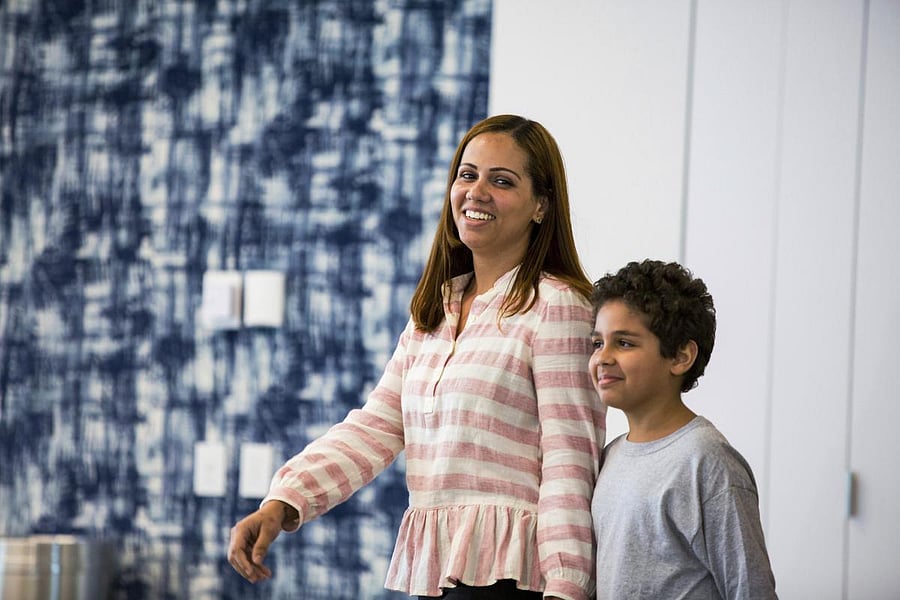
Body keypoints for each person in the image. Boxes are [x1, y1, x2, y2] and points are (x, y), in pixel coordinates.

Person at [228, 114, 606, 600]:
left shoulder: (557, 307)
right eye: (467, 175)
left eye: (502, 181)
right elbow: (377, 426)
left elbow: (569, 461)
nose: (477, 191)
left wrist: (568, 586)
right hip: (439, 569)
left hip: (517, 579)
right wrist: (282, 501)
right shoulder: (436, 310)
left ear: (541, 206)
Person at [588, 259, 777, 599]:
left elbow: (751, 589)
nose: (603, 357)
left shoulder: (707, 461)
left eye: (625, 343)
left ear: (680, 357)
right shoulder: (609, 457)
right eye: (597, 343)